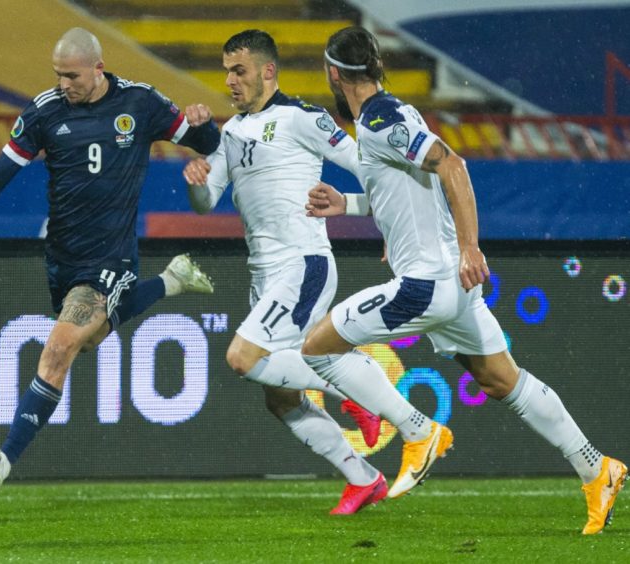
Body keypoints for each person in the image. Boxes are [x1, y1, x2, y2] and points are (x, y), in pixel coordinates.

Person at [302, 25, 626, 534]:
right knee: (503, 381)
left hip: (426, 285)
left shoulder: (381, 121)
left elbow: (452, 166)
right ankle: (596, 467)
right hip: (451, 285)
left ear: (333, 74)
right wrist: (351, 205)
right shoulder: (391, 114)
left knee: (318, 348)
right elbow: (409, 192)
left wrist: (472, 245)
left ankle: (418, 432)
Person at [0, 27, 220, 498]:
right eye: (57, 75)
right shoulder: (44, 111)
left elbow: (207, 143)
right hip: (62, 257)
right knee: (89, 340)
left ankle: (4, 459)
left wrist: (203, 123)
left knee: (58, 351)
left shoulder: (140, 103)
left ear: (98, 68)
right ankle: (171, 281)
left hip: (110, 258)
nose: (63, 84)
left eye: (71, 76)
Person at [182, 29, 437, 514]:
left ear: (267, 71)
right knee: (279, 397)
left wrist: (383, 220)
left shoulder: (303, 118)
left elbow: (369, 167)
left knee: (242, 359)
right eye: (226, 72)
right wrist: (196, 174)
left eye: (239, 71)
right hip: (264, 274)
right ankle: (363, 478)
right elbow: (204, 202)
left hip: (302, 263)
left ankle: (362, 397)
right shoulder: (230, 132)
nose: (230, 81)